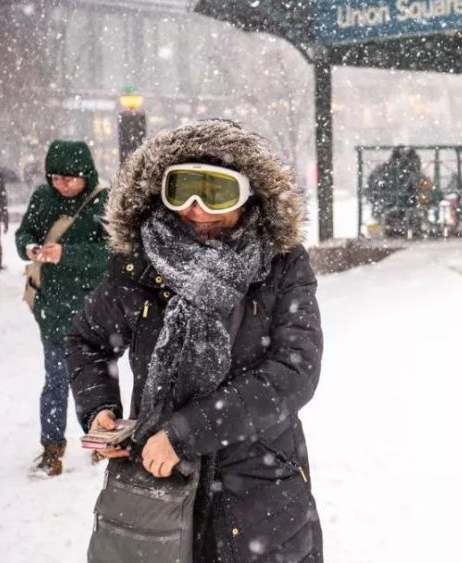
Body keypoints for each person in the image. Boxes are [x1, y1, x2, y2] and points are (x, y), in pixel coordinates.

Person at [66, 119, 324, 561]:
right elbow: (88, 340)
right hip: (155, 491)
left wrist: (186, 433)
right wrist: (100, 408)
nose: (197, 208)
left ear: (248, 196)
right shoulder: (138, 264)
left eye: (216, 193)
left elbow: (295, 371)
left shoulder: (281, 264)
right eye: (182, 190)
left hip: (260, 492)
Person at [15, 140, 109, 477]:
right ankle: (52, 450)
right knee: (55, 380)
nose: (63, 185)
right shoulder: (43, 198)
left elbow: (111, 254)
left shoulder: (102, 201)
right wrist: (29, 246)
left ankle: (102, 444)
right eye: (56, 177)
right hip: (53, 307)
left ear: (87, 175)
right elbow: (24, 231)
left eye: (71, 179)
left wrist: (66, 254)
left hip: (92, 310)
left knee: (96, 381)